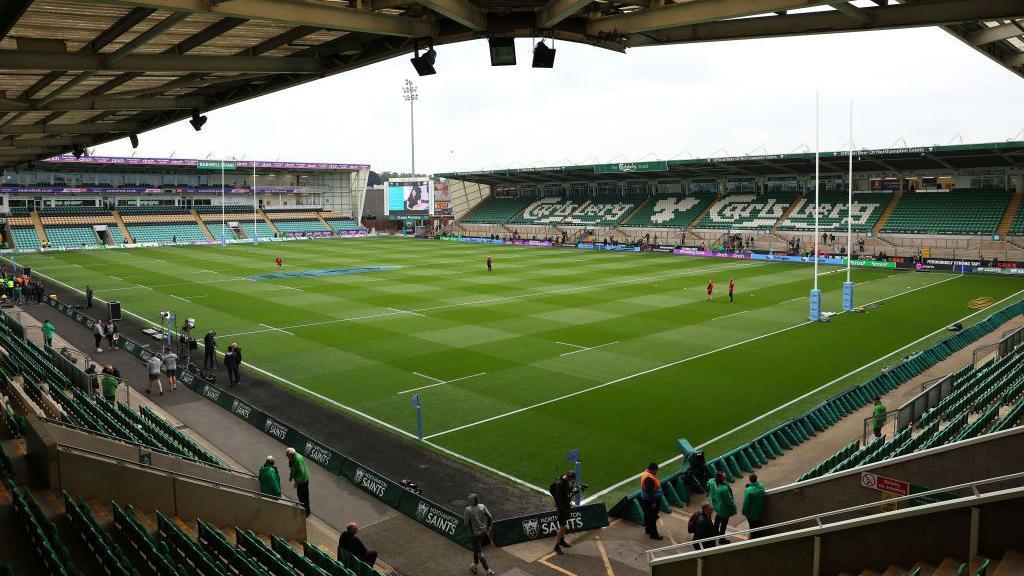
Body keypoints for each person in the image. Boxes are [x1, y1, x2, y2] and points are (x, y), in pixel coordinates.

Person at [463, 494, 494, 575]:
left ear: (473, 501)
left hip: (474, 535)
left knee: (479, 552)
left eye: (470, 500)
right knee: (476, 549)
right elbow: (490, 517)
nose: (468, 501)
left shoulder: (468, 510)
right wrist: (488, 527)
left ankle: (488, 571)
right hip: (483, 532)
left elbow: (465, 523)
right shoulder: (482, 506)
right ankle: (475, 565)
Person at [706, 471, 735, 543]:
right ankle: (721, 539)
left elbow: (708, 484)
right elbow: (729, 501)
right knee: (723, 525)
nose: (725, 476)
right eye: (724, 475)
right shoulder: (724, 488)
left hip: (716, 505)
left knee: (718, 517)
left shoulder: (712, 482)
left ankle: (715, 532)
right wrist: (734, 509)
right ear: (721, 478)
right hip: (724, 509)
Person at [549, 471, 574, 555]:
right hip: (562, 508)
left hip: (565, 507)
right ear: (569, 477)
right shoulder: (560, 484)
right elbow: (559, 499)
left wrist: (574, 488)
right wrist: (563, 509)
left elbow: (568, 491)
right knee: (562, 526)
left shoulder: (564, 481)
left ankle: (562, 540)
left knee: (563, 525)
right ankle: (557, 546)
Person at [639, 463, 664, 540]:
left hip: (646, 499)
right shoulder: (649, 478)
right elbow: (650, 492)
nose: (656, 472)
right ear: (653, 470)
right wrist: (653, 502)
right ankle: (654, 534)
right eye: (656, 470)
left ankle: (648, 529)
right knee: (652, 517)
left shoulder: (646, 474)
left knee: (647, 515)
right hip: (650, 501)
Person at [286, 447, 310, 517]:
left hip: (303, 480)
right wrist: (291, 476)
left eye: (287, 455)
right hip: (299, 480)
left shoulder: (298, 460)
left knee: (304, 497)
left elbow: (302, 473)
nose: (286, 456)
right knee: (300, 495)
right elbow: (293, 469)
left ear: (291, 454)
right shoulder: (291, 459)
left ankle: (307, 512)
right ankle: (303, 509)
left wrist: (297, 482)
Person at [742, 474, 766, 538]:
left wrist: (744, 511)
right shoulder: (762, 486)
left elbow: (746, 503)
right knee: (759, 526)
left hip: (751, 514)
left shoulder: (748, 490)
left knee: (752, 527)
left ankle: (753, 539)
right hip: (760, 511)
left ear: (750, 480)